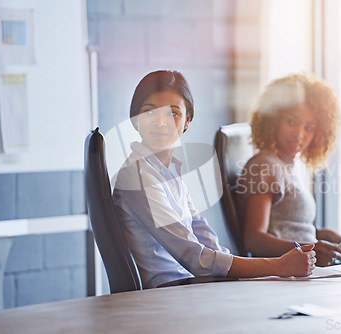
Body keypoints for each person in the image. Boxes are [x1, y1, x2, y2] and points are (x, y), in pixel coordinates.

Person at [112, 70, 316, 289]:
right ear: (135, 120)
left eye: (173, 114)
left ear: (187, 121)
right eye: (150, 112)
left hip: (194, 287)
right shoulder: (138, 176)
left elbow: (206, 239)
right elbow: (195, 258)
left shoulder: (168, 171)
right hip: (170, 293)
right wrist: (277, 266)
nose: (161, 123)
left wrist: (259, 270)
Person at [235, 73, 341, 267]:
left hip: (302, 271)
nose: (299, 134)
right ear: (273, 120)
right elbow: (254, 239)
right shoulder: (265, 166)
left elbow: (284, 226)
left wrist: (319, 234)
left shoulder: (286, 166)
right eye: (291, 122)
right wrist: (311, 248)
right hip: (286, 275)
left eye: (309, 128)